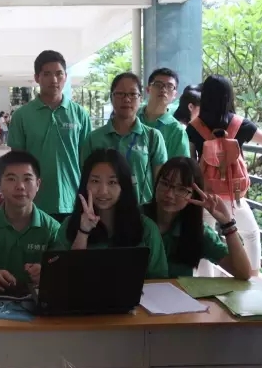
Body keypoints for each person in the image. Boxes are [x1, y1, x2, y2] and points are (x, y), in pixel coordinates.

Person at [186, 75, 262, 276]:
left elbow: (191, 163)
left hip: (206, 194)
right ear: (229, 96)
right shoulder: (240, 124)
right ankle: (252, 277)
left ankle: (206, 284)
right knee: (250, 234)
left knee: (206, 239)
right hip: (234, 195)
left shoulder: (194, 127)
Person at [8, 50, 92, 221]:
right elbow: (16, 163)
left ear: (65, 77)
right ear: (37, 78)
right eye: (47, 74)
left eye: (59, 74)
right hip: (34, 202)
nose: (54, 80)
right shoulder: (22, 116)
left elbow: (87, 161)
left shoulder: (80, 114)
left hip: (74, 200)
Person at [59, 149, 168, 279]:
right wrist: (83, 232)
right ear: (85, 184)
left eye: (112, 182)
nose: (103, 191)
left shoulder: (147, 228)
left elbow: (160, 279)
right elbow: (64, 277)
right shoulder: (69, 225)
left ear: (124, 186)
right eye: (95, 181)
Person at [143, 157, 251, 279]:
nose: (169, 194)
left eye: (181, 189)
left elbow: (243, 273)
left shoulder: (196, 230)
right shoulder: (135, 218)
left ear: (194, 195)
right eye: (165, 184)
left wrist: (227, 223)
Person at [0, 151, 61, 288]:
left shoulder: (53, 229)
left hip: (38, 299)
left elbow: (62, 279)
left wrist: (46, 274)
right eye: (11, 179)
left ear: (38, 184)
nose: (20, 186)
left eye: (27, 179)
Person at [82, 72, 167, 204]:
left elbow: (160, 181)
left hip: (142, 210)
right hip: (104, 209)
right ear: (111, 97)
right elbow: (86, 180)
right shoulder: (94, 138)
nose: (126, 99)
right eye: (120, 94)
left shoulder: (153, 136)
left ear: (140, 98)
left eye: (132, 94)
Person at [138, 68, 190, 159]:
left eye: (169, 86)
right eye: (158, 85)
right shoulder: (132, 117)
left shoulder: (176, 130)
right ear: (148, 89)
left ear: (175, 95)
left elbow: (181, 165)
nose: (163, 89)